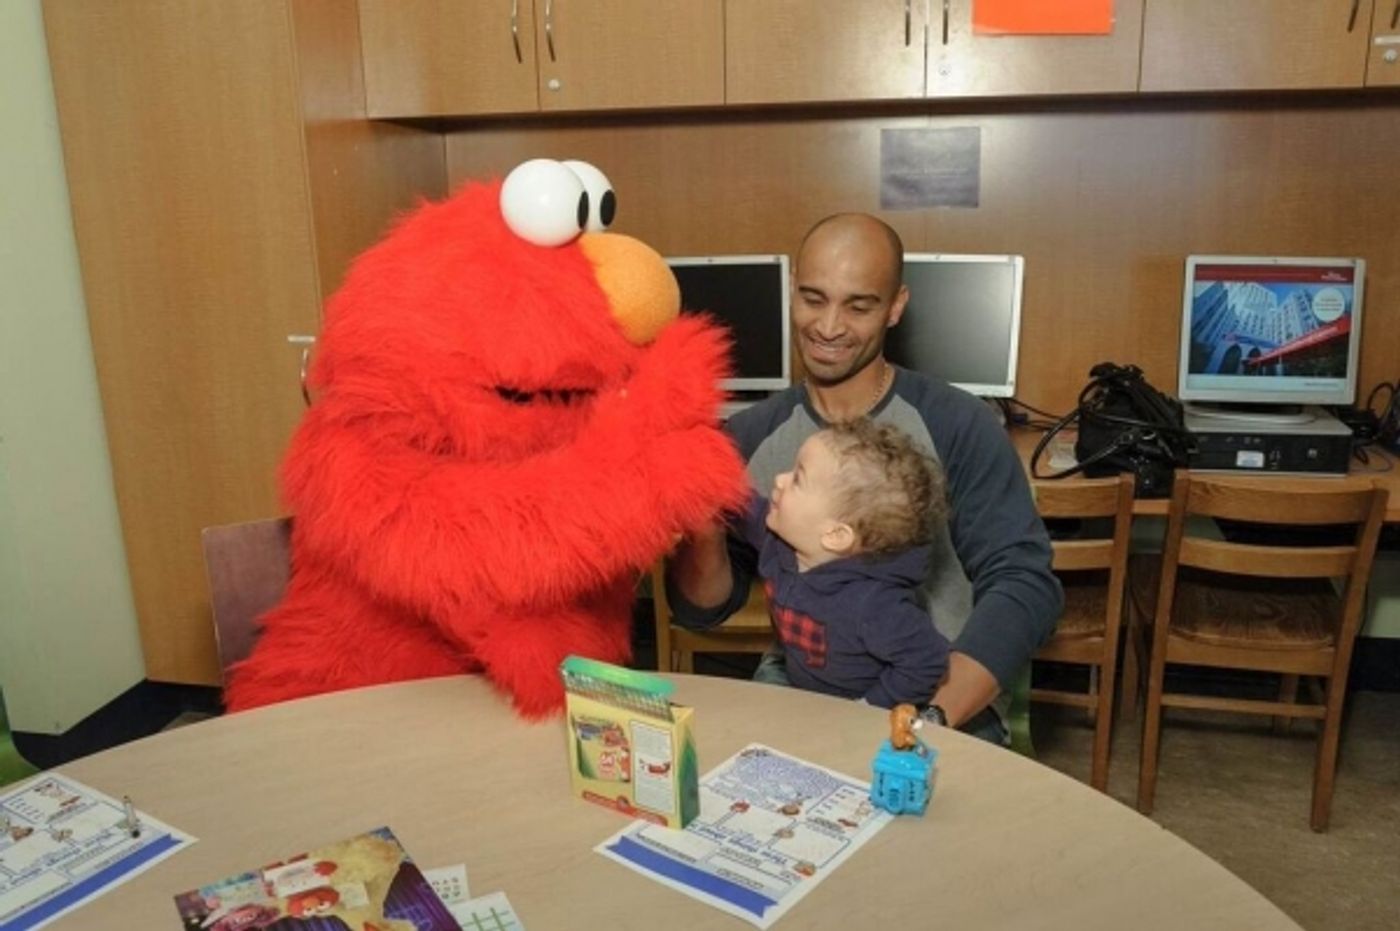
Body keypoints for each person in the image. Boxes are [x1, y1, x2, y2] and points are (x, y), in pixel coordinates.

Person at [667, 213, 1061, 744]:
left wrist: (926, 721)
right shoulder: (751, 435)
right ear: (791, 291)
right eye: (812, 298)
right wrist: (702, 529)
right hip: (800, 681)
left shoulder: (957, 423)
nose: (829, 327)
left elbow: (1025, 582)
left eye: (858, 305)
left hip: (931, 689)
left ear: (895, 307)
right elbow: (704, 609)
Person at [735, 418, 949, 709]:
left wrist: (870, 707)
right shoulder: (778, 540)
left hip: (856, 706)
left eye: (798, 479)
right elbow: (738, 504)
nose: (779, 479)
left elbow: (927, 660)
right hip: (799, 684)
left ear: (835, 535)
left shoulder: (874, 605)